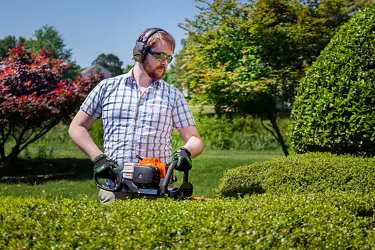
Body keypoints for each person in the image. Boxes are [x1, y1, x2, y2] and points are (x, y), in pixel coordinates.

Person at [68, 27, 204, 204]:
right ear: (140, 53)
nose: (165, 62)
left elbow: (195, 139)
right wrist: (98, 158)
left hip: (158, 189)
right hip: (114, 188)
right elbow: (77, 127)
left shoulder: (173, 95)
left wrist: (186, 151)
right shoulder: (107, 88)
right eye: (159, 55)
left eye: (169, 57)